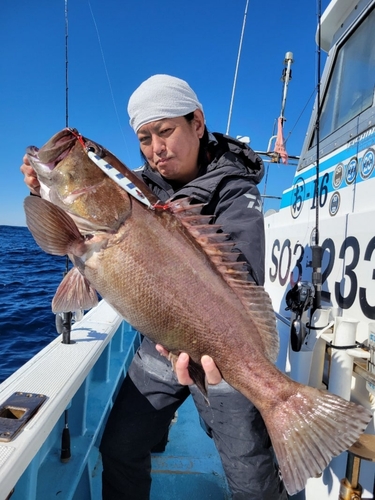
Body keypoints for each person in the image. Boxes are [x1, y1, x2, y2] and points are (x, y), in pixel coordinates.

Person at [21, 74, 287, 500]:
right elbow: (78, 231)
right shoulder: (136, 188)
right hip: (158, 346)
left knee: (250, 472)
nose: (156, 148)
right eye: (144, 138)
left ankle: (277, 412)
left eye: (166, 131)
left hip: (220, 349)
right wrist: (49, 192)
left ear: (197, 123)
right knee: (120, 446)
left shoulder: (235, 189)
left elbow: (243, 278)